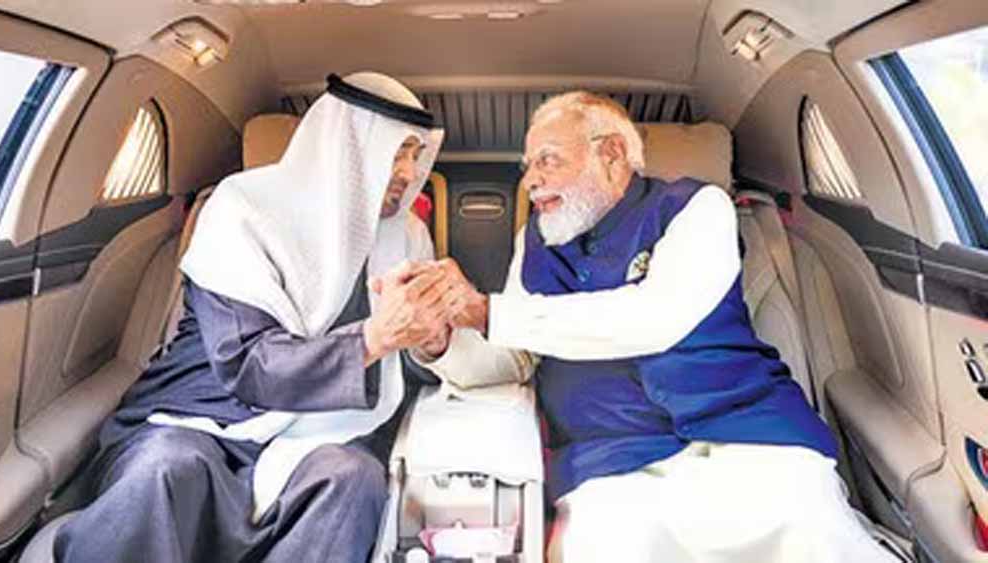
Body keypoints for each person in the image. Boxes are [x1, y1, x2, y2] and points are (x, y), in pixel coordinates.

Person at [414, 91, 897, 563]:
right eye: (529, 167)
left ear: (610, 154)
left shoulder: (696, 207)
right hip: (613, 457)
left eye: (548, 160)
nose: (531, 182)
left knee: (808, 525)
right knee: (601, 546)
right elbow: (515, 357)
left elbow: (657, 317)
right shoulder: (535, 240)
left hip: (747, 431)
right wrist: (441, 343)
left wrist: (489, 312)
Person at [55, 72, 459, 563]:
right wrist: (374, 337)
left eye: (416, 154)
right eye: (397, 152)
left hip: (327, 429)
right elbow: (247, 363)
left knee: (354, 479)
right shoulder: (243, 209)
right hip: (205, 416)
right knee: (165, 468)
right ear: (350, 150)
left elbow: (403, 373)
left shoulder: (407, 234)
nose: (410, 172)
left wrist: (430, 342)